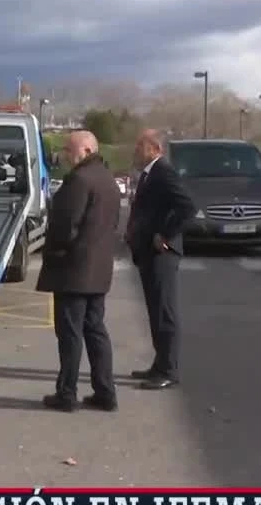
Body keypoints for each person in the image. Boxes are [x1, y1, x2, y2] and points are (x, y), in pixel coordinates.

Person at [36, 130, 122, 412]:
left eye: (69, 149)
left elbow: (65, 225)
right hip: (98, 270)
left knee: (70, 334)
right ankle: (105, 391)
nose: (65, 154)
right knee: (95, 330)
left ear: (86, 150)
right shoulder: (107, 179)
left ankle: (67, 393)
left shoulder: (79, 180)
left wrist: (55, 251)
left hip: (73, 271)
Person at [126, 129, 195, 390]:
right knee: (155, 311)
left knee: (165, 311)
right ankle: (159, 363)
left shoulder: (163, 171)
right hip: (147, 253)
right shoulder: (150, 174)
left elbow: (187, 207)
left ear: (154, 148)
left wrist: (165, 234)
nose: (135, 150)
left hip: (162, 254)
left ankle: (169, 369)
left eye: (139, 145)